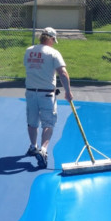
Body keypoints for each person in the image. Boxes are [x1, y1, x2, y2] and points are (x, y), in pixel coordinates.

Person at [23, 27, 73, 169]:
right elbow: (63, 73)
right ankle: (43, 150)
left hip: (31, 92)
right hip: (47, 94)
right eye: (53, 40)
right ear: (50, 38)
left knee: (32, 122)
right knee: (48, 124)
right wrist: (68, 92)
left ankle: (33, 146)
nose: (53, 43)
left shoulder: (28, 50)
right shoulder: (53, 53)